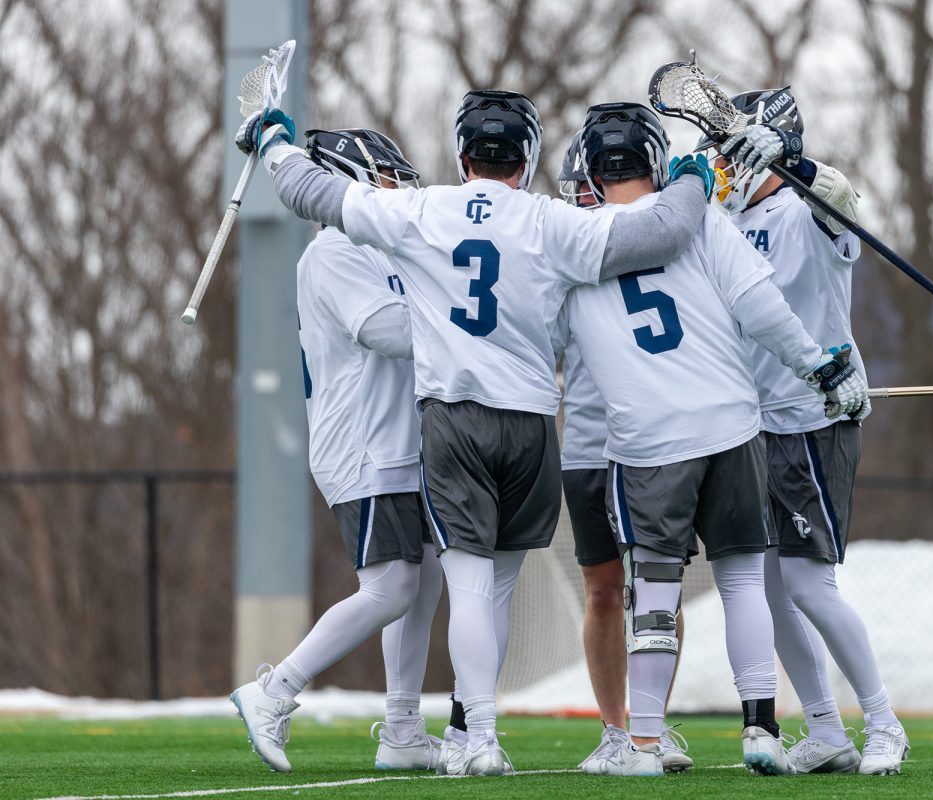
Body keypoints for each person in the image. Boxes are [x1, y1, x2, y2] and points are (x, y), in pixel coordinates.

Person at [235, 90, 713, 776]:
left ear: (462, 156)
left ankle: (473, 738)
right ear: (529, 157)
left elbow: (315, 194)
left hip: (451, 420)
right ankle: (447, 731)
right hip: (525, 419)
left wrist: (275, 146)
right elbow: (653, 235)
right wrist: (693, 183)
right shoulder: (546, 219)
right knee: (484, 587)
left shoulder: (420, 212)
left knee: (458, 584)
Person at [558, 101, 867, 777]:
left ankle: (641, 741)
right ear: (655, 158)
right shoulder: (700, 214)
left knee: (657, 594)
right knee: (742, 583)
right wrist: (819, 367)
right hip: (731, 423)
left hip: (646, 442)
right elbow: (762, 308)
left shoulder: (570, 241)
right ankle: (760, 730)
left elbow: (545, 341)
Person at [709, 87, 909, 775]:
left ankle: (883, 719)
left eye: (737, 149)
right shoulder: (723, 219)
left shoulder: (807, 208)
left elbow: (846, 201)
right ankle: (824, 728)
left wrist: (800, 162)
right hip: (751, 424)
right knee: (769, 587)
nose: (725, 163)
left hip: (811, 419)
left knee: (807, 583)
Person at [230, 129, 442, 773]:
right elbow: (384, 330)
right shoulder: (335, 250)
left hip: (400, 438)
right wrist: (474, 331)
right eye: (383, 176)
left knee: (424, 579)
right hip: (364, 441)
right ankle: (273, 690)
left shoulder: (379, 246)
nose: (397, 188)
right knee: (392, 586)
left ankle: (403, 730)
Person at [555, 134, 691, 774]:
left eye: (593, 185)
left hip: (656, 441)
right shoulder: (559, 256)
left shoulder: (664, 245)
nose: (587, 198)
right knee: (604, 589)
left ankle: (651, 726)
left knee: (660, 588)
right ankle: (614, 730)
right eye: (579, 190)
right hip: (588, 443)